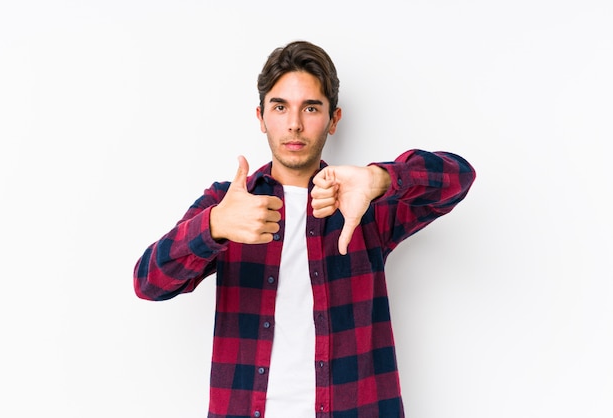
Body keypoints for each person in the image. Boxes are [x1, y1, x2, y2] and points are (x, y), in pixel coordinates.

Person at [134, 40, 476, 418]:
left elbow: (458, 177)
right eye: (280, 107)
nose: (294, 123)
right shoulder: (231, 204)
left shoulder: (363, 204)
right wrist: (213, 226)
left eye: (310, 108)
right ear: (262, 117)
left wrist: (380, 180)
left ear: (333, 119)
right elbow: (148, 282)